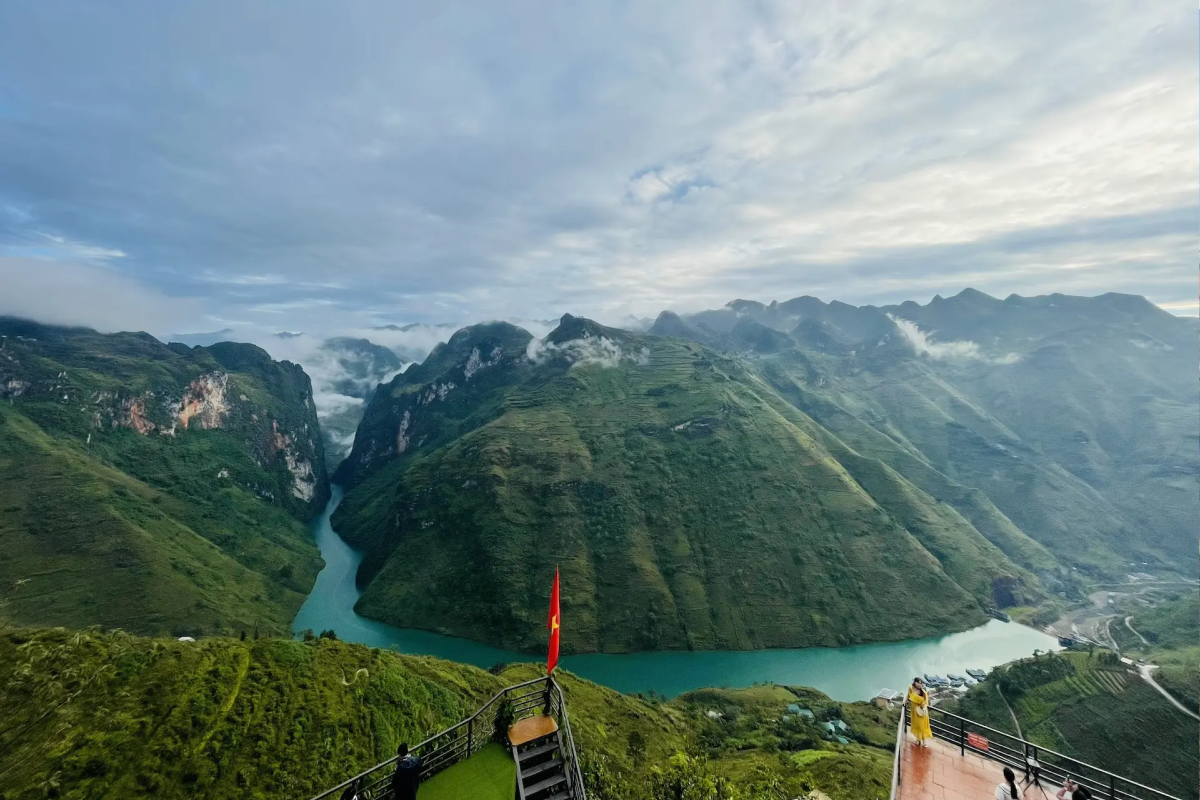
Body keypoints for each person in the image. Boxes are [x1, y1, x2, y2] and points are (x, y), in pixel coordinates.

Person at [907, 677, 932, 747]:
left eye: (921, 683)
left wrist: (923, 706)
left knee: (922, 726)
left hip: (922, 711)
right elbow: (908, 696)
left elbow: (926, 702)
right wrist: (904, 703)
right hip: (914, 710)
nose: (919, 685)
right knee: (917, 725)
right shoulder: (911, 688)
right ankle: (918, 739)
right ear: (914, 682)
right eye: (918, 683)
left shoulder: (923, 692)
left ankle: (924, 741)